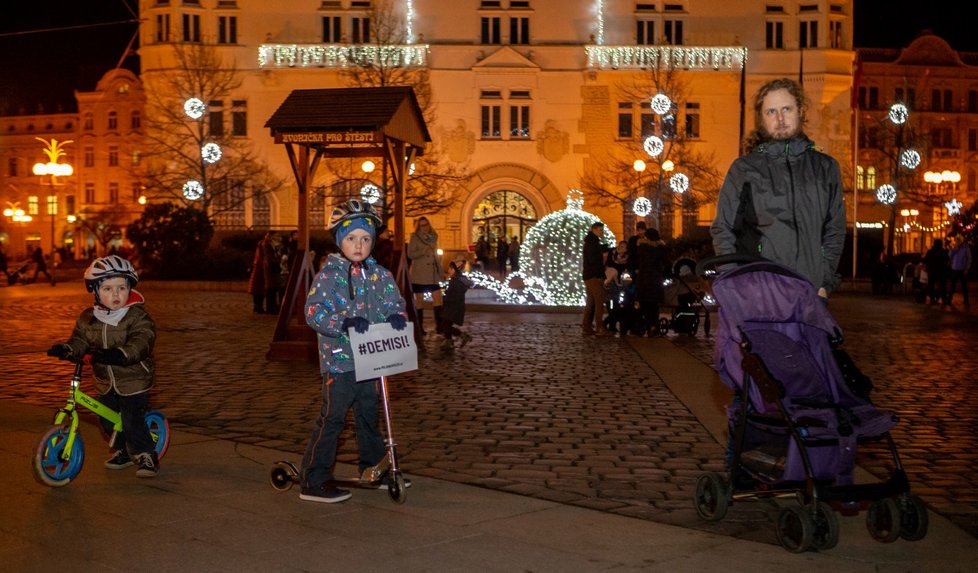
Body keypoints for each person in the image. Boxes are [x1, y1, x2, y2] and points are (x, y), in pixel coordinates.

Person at [300, 199, 409, 503]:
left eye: (365, 239)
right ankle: (314, 476)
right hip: (340, 361)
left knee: (368, 414)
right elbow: (313, 312)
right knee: (333, 417)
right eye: (351, 238)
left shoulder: (380, 275)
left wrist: (397, 317)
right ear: (339, 241)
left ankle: (373, 467)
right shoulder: (329, 277)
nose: (359, 245)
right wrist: (343, 322)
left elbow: (394, 302)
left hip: (372, 359)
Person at [710, 77, 846, 299]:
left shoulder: (825, 167)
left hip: (809, 292)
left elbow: (835, 229)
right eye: (771, 112)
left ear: (800, 111)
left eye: (786, 109)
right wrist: (734, 282)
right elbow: (724, 229)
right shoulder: (744, 169)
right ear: (761, 119)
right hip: (760, 293)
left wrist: (824, 281)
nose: (780, 118)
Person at [46, 255, 159, 477]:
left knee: (131, 420)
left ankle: (146, 454)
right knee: (107, 421)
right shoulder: (88, 318)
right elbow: (80, 340)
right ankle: (124, 451)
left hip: (133, 379)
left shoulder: (137, 316)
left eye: (121, 288)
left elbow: (142, 340)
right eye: (107, 288)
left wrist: (121, 353)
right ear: (95, 291)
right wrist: (68, 348)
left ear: (129, 289)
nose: (116, 294)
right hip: (105, 380)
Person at [407, 216, 444, 336]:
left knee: (438, 299)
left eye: (426, 224)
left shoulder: (434, 236)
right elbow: (411, 254)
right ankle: (419, 327)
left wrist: (440, 272)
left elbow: (436, 256)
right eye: (422, 225)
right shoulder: (414, 237)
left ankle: (439, 326)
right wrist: (424, 250)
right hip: (420, 274)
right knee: (419, 302)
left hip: (433, 274)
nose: (425, 227)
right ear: (418, 226)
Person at [581, 221, 612, 336]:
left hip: (588, 276)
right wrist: (601, 275)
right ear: (594, 229)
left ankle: (586, 326)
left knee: (591, 302)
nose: (602, 232)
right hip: (594, 276)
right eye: (600, 230)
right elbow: (595, 261)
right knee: (599, 301)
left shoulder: (591, 242)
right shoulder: (593, 243)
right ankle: (600, 327)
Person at [635, 227, 667, 335]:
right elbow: (666, 263)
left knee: (644, 303)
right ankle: (653, 326)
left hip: (643, 279)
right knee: (654, 305)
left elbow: (638, 260)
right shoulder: (661, 248)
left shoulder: (642, 247)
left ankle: (647, 325)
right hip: (656, 279)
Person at [438, 255, 474, 352]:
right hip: (452, 307)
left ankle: (462, 336)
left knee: (446, 325)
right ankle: (449, 341)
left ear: (455, 269)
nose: (449, 270)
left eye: (450, 268)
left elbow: (454, 296)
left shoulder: (456, 282)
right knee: (446, 324)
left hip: (453, 307)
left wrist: (445, 297)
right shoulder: (455, 280)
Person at [603, 240, 632, 334]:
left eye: (623, 246)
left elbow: (627, 272)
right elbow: (607, 266)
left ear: (626, 250)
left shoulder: (627, 259)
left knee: (617, 306)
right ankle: (609, 324)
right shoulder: (612, 254)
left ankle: (610, 324)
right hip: (611, 283)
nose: (620, 247)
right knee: (610, 305)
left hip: (620, 284)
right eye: (620, 245)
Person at [923, 238, 950, 305]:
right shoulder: (943, 251)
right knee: (943, 285)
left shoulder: (930, 252)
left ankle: (932, 299)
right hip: (941, 271)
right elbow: (948, 260)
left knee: (931, 285)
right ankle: (943, 299)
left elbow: (925, 261)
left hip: (932, 271)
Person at [947, 235, 972, 306]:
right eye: (957, 240)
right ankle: (949, 299)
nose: (958, 242)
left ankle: (966, 300)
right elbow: (949, 256)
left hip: (962, 269)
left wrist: (967, 268)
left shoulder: (966, 248)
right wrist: (954, 249)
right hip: (955, 268)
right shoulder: (954, 247)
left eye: (959, 240)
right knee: (952, 285)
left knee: (964, 286)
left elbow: (969, 259)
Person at [248, 234, 268, 314]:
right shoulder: (262, 245)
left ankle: (257, 306)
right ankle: (258, 306)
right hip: (260, 270)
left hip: (259, 270)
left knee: (258, 290)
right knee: (258, 290)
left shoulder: (261, 246)